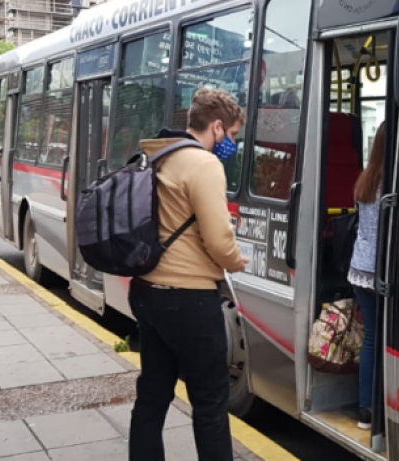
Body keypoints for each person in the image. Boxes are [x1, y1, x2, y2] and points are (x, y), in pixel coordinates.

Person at [128, 88, 249, 461]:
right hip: (190, 300)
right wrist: (236, 260)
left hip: (148, 291)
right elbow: (217, 240)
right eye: (231, 136)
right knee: (210, 403)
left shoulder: (157, 154)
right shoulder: (204, 164)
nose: (231, 143)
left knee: (153, 394)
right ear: (216, 127)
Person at [348, 122, 386, 430]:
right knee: (379, 339)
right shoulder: (394, 181)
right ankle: (375, 407)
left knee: (371, 338)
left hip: (359, 268)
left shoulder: (365, 178)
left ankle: (365, 408)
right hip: (381, 270)